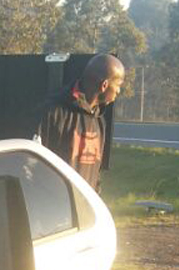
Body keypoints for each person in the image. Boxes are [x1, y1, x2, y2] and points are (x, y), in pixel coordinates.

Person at [35, 54, 125, 190]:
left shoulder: (99, 119)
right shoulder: (53, 113)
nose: (119, 91)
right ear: (104, 85)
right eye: (118, 85)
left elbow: (96, 173)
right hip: (53, 207)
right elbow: (33, 167)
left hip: (84, 209)